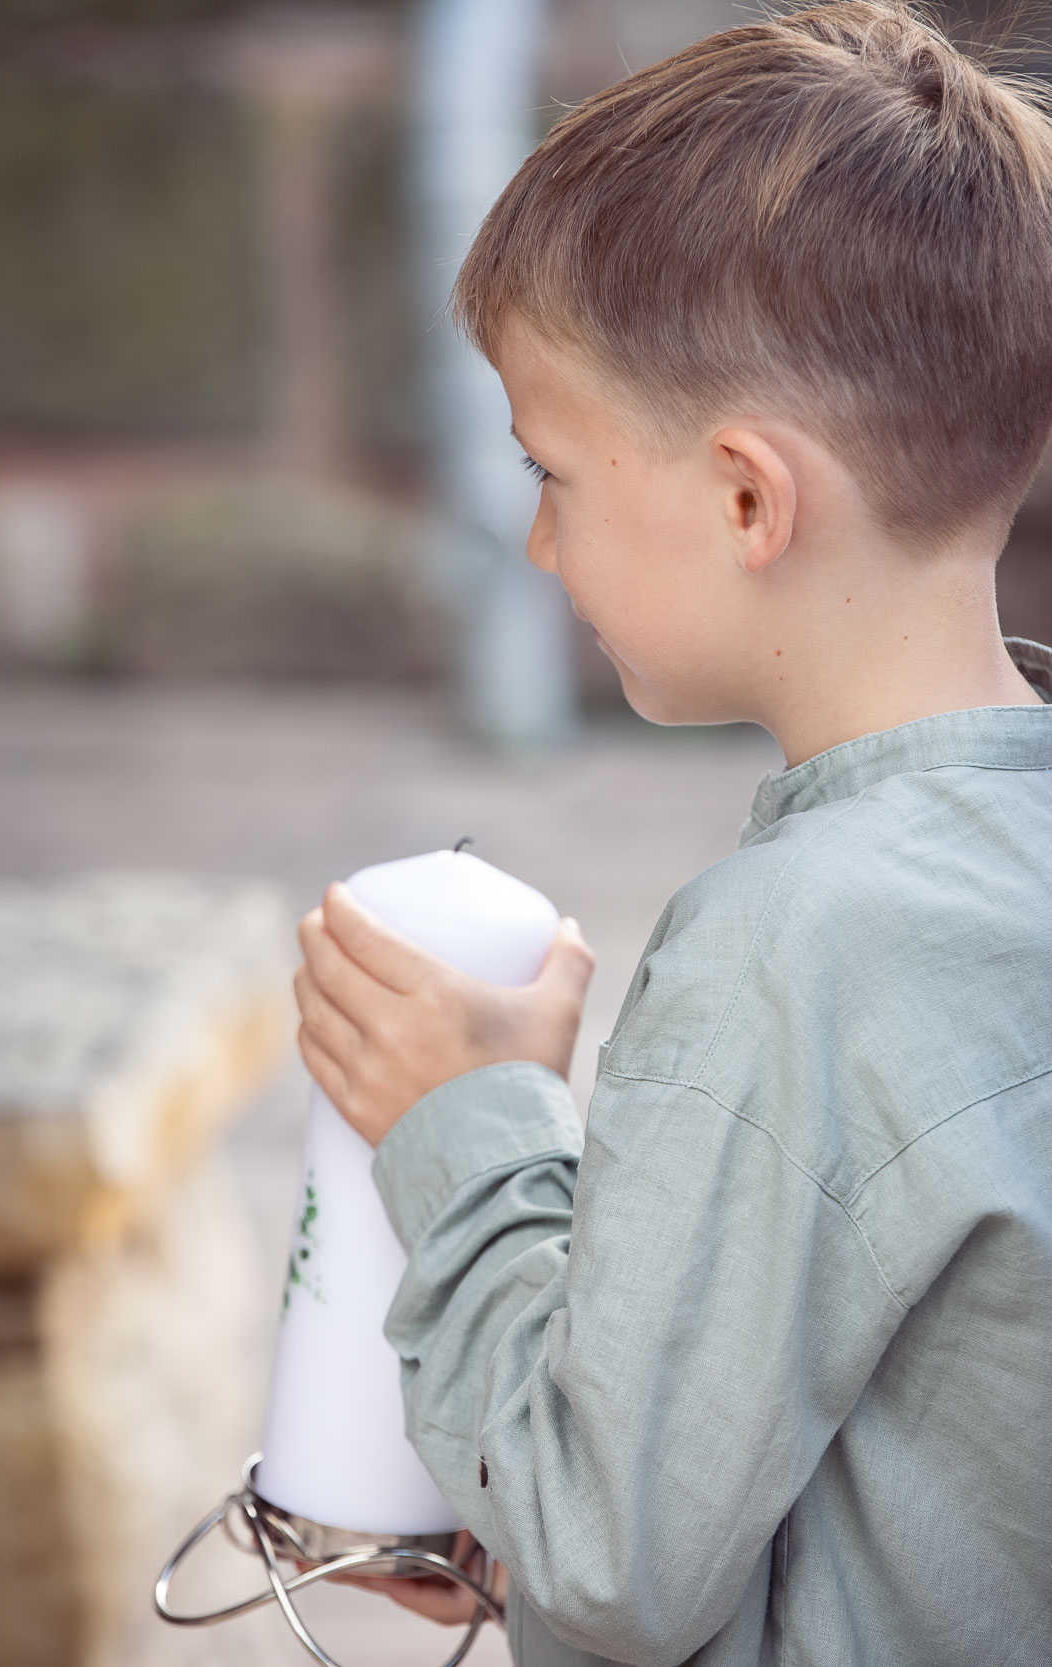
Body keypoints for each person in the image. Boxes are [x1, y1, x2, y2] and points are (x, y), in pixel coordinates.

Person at [292, 3, 1052, 1662]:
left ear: (747, 500)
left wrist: (468, 1124)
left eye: (549, 472)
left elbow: (607, 1557)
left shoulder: (796, 944)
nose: (538, 545)